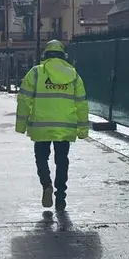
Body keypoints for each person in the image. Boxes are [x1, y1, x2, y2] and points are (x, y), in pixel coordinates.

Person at [15, 40, 89, 212]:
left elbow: (24, 99)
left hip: (41, 126)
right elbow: (82, 104)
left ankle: (46, 184)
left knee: (41, 157)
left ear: (45, 55)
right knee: (62, 160)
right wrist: (83, 130)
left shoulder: (36, 73)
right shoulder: (73, 75)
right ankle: (61, 195)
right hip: (65, 127)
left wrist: (21, 125)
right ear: (63, 56)